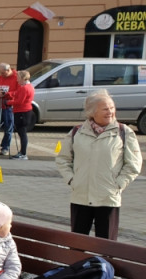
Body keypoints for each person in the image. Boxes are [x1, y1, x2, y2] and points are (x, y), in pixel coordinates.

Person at [56, 90, 142, 240]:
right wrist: (72, 180)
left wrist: (118, 184)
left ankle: (105, 265)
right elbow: (63, 159)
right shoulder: (77, 132)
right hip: (80, 196)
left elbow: (133, 164)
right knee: (77, 244)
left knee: (107, 246)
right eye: (105, 109)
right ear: (92, 112)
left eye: (112, 108)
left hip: (108, 197)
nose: (110, 112)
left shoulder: (124, 132)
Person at [9, 69, 35, 160]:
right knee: (22, 133)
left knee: (22, 133)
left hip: (22, 112)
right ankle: (22, 152)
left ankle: (23, 153)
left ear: (23, 78)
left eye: (18, 78)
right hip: (24, 111)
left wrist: (9, 102)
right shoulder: (28, 86)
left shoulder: (25, 88)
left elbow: (19, 101)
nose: (17, 80)